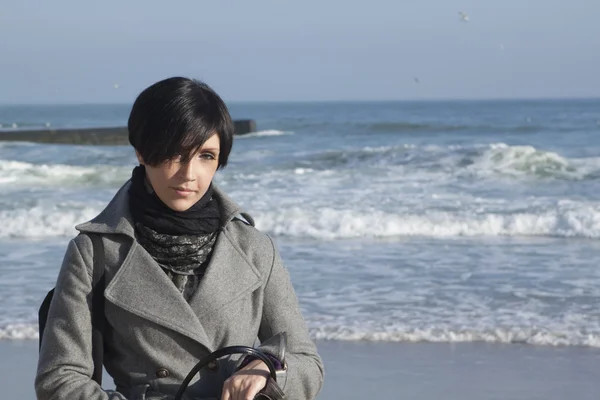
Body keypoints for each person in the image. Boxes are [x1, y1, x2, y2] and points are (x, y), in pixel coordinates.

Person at [35, 77, 324, 400]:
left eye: (206, 156)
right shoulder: (95, 251)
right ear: (143, 152)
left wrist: (265, 367)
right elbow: (59, 378)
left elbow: (306, 363)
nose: (189, 174)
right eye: (175, 154)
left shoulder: (254, 248)